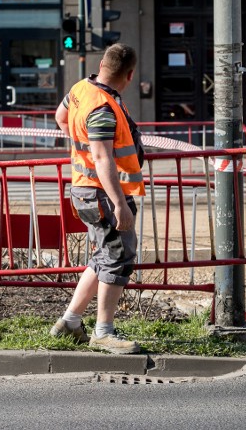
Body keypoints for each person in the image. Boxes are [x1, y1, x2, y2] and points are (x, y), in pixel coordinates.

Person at [50, 43, 145, 354]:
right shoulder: (103, 107)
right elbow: (103, 158)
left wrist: (81, 146)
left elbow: (60, 116)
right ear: (129, 76)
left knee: (103, 256)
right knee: (118, 258)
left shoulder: (81, 88)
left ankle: (70, 322)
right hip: (102, 192)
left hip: (84, 188)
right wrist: (120, 205)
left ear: (102, 64)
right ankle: (103, 332)